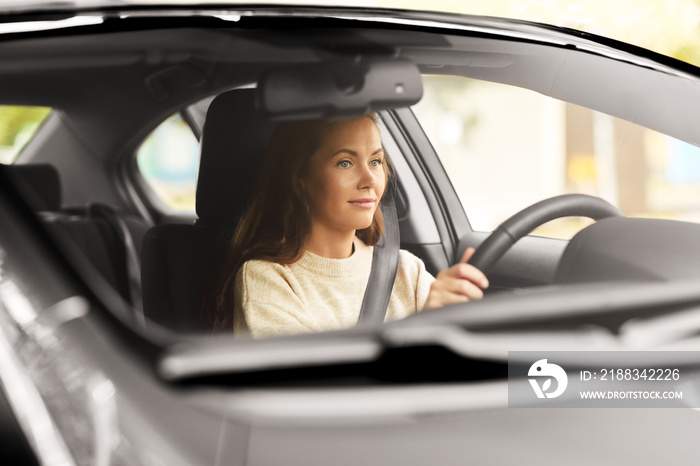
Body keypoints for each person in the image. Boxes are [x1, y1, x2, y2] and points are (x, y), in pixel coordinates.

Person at [199, 113, 488, 337]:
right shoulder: (267, 279)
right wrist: (421, 330)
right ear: (300, 177)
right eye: (345, 163)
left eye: (376, 161)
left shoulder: (405, 271)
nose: (370, 180)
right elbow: (314, 398)